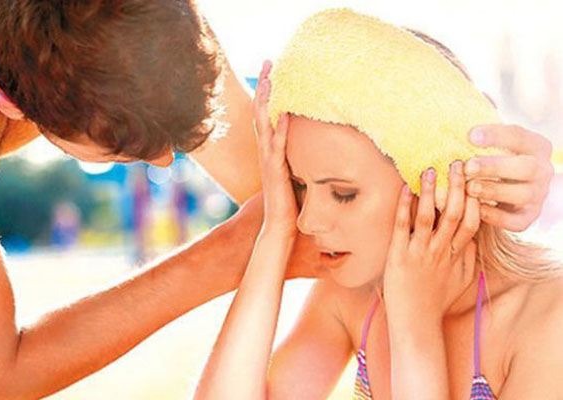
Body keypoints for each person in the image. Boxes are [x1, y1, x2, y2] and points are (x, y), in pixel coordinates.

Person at [0, 1, 555, 399]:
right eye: (126, 149)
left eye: (175, 135)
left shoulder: (125, 21)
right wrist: (237, 249)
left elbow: (317, 173)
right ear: (11, 102)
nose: (167, 162)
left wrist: (486, 166)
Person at [194, 9, 562, 400]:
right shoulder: (352, 295)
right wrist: (275, 231)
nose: (308, 221)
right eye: (300, 185)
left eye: (343, 193)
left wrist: (415, 329)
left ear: (435, 181)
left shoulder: (547, 316)